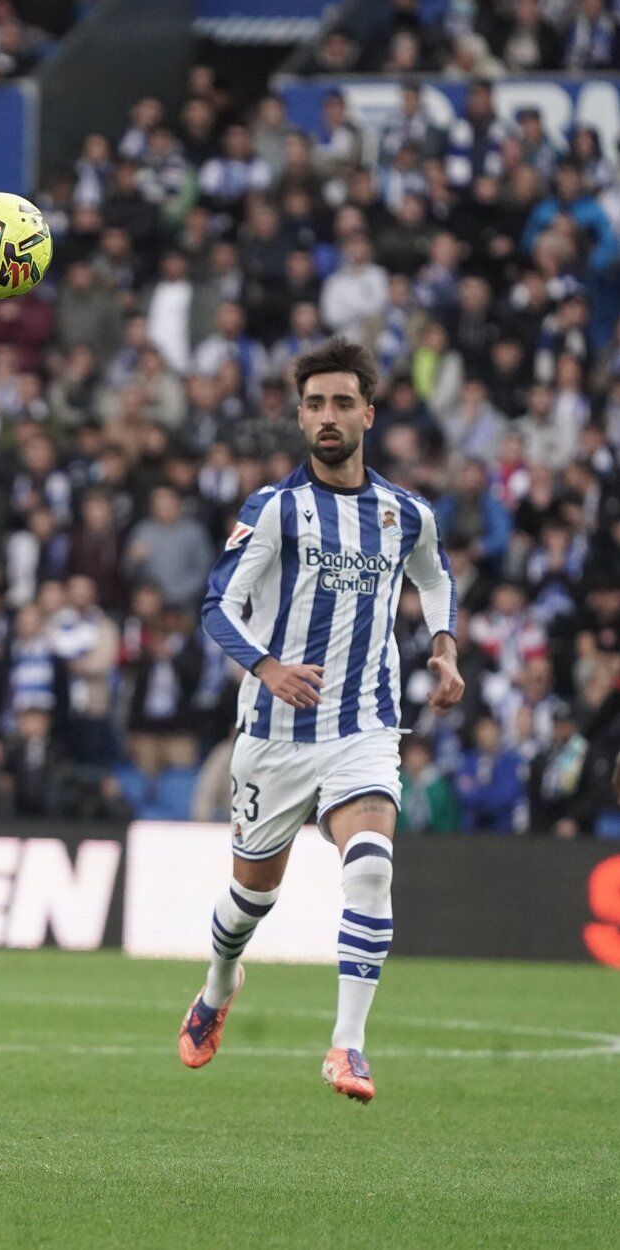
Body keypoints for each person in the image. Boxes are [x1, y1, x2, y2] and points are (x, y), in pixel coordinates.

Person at [185, 338, 464, 1103]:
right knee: (250, 899)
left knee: (370, 865)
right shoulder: (273, 510)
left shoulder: (405, 513)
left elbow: (434, 579)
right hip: (274, 736)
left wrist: (442, 648)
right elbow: (217, 606)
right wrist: (268, 668)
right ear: (299, 416)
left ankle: (347, 1047)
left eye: (342, 402)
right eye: (314, 404)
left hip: (364, 727)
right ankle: (218, 983)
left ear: (368, 413)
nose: (328, 417)